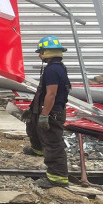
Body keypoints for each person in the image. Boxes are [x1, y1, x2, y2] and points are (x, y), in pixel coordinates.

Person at [24, 36, 71, 187]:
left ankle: (57, 177)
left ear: (48, 52)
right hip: (50, 109)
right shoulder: (57, 67)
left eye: (41, 52)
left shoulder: (52, 70)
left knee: (53, 143)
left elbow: (51, 94)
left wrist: (44, 115)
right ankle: (37, 149)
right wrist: (34, 110)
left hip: (52, 112)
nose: (40, 55)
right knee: (32, 126)